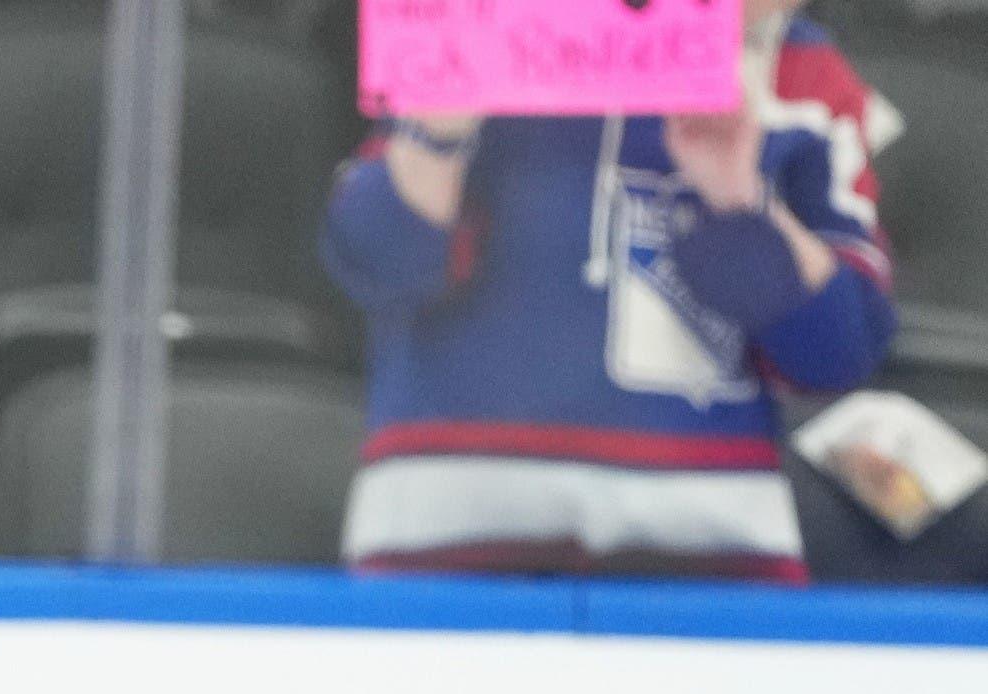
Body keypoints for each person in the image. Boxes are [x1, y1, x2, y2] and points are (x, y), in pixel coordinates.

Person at [323, 0, 897, 579]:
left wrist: (740, 202)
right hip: (444, 538)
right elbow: (371, 269)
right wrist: (435, 137)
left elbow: (840, 353)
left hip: (708, 553)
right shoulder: (470, 27)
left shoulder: (800, 72)